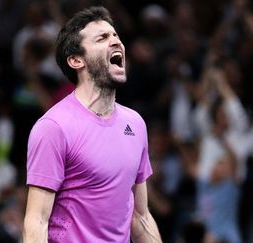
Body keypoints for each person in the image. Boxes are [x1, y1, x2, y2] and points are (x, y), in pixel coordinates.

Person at [23, 6, 161, 243]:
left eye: (116, 35)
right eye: (102, 38)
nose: (116, 41)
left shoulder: (135, 124)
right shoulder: (54, 127)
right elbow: (36, 222)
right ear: (77, 60)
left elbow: (141, 216)